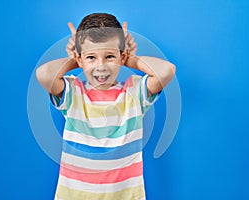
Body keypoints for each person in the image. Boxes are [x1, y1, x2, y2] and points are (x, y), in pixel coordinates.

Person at [36, 13, 175, 200]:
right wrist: (76, 59)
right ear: (80, 59)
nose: (101, 67)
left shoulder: (133, 92)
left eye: (109, 56)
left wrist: (130, 59)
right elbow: (44, 74)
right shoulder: (73, 92)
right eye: (91, 57)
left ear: (122, 56)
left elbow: (166, 71)